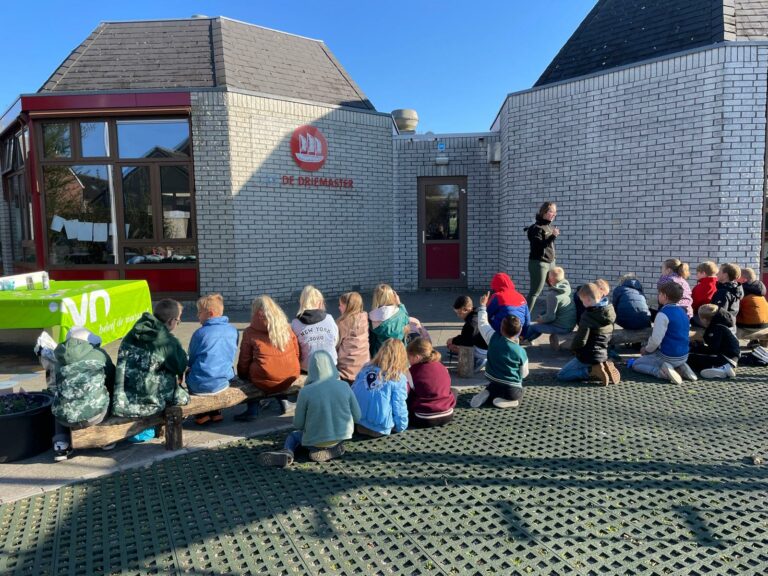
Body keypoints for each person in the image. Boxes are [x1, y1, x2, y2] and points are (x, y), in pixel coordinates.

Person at [257, 350, 361, 467]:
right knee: (326, 440)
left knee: (294, 436)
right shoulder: (345, 386)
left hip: (315, 441)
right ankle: (332, 449)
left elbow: (298, 424)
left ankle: (288, 452)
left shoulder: (305, 392)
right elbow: (357, 417)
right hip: (341, 436)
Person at [112, 299, 189, 438]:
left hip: (124, 396)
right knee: (183, 397)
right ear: (171, 321)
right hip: (150, 399)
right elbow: (180, 367)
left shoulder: (133, 332)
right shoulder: (167, 342)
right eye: (178, 321)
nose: (178, 324)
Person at [51, 327, 115, 461]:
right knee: (105, 392)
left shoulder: (58, 359)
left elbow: (55, 384)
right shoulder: (100, 354)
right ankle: (106, 440)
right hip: (96, 416)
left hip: (66, 419)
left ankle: (61, 444)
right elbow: (112, 378)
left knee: (59, 398)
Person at [235, 295, 301, 421]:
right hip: (291, 374)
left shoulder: (250, 332)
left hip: (265, 380)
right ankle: (285, 403)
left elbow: (244, 360)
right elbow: (296, 352)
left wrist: (242, 375)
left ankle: (252, 410)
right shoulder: (286, 327)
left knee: (257, 371)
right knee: (276, 367)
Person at [186, 293, 239, 425]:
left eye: (199, 312)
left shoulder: (199, 333)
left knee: (189, 372)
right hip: (223, 382)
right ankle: (216, 412)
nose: (197, 315)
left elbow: (191, 359)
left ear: (210, 314)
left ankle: (201, 414)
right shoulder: (233, 330)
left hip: (200, 385)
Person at [470, 292, 529, 408]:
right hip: (511, 389)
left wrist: (483, 306)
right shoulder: (520, 351)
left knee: (493, 386)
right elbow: (524, 374)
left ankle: (488, 392)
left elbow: (482, 324)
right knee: (520, 393)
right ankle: (511, 401)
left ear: (501, 329)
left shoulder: (493, 337)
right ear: (519, 331)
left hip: (493, 381)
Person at [556, 283, 620, 385]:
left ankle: (591, 372)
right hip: (603, 353)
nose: (582, 303)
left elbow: (581, 339)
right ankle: (602, 366)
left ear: (588, 300)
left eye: (582, 300)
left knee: (562, 375)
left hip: (588, 355)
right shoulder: (609, 311)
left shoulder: (588, 316)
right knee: (585, 364)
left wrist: (574, 349)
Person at [631, 282, 696, 383]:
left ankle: (661, 373)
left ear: (664, 296)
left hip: (668, 356)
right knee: (663, 356)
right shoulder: (683, 311)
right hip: (684, 355)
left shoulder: (663, 314)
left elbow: (656, 340)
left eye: (659, 293)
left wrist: (646, 350)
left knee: (636, 364)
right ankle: (680, 367)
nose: (658, 296)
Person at [352, 338, 409, 437]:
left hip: (359, 423)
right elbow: (399, 406)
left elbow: (354, 389)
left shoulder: (366, 368)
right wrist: (401, 427)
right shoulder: (397, 377)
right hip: (380, 428)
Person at [406, 337, 456, 427]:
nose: (408, 361)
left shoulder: (411, 371)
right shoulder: (442, 367)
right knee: (453, 391)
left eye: (409, 357)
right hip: (448, 415)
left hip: (423, 419)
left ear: (417, 357)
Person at [291, 285, 338, 372]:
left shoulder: (295, 323)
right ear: (320, 302)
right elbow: (334, 341)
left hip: (307, 368)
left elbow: (295, 350)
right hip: (330, 365)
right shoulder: (329, 319)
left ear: (302, 302)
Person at [524, 266, 576, 344]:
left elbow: (550, 317)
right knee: (542, 316)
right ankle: (528, 340)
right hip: (570, 324)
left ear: (549, 280)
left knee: (533, 326)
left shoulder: (552, 295)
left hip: (562, 327)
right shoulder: (567, 288)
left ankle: (521, 339)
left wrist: (541, 319)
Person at [525, 201, 560, 313]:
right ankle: (523, 319)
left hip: (551, 262)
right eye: (552, 212)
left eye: (555, 212)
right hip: (539, 263)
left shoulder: (549, 227)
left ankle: (554, 315)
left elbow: (549, 246)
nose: (554, 214)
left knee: (556, 289)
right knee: (535, 292)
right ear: (544, 212)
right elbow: (538, 247)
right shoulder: (536, 228)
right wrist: (553, 236)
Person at [688, 304, 739, 379]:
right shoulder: (721, 325)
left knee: (690, 358)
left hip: (724, 358)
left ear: (705, 320)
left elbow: (713, 350)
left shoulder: (715, 329)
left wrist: (697, 347)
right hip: (732, 359)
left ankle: (720, 367)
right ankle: (724, 368)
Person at [446, 295, 488, 371]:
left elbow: (466, 342)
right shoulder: (478, 312)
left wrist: (454, 343)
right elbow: (467, 336)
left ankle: (479, 359)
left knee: (460, 345)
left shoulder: (471, 323)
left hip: (483, 351)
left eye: (459, 313)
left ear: (466, 309)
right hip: (487, 345)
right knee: (458, 342)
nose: (458, 316)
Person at [336, 291, 370, 383]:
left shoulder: (342, 323)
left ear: (349, 307)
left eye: (341, 305)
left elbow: (336, 345)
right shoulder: (365, 317)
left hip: (346, 371)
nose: (339, 307)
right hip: (364, 365)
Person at [368, 284, 409, 356]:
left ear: (376, 298)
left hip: (380, 355)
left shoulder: (371, 317)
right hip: (399, 353)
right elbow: (407, 319)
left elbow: (372, 340)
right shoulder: (401, 313)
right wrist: (400, 303)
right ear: (392, 296)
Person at [486, 272, 531, 337]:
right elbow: (527, 320)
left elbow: (487, 314)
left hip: (502, 331)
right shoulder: (521, 297)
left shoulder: (497, 296)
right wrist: (523, 335)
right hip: (517, 331)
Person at [691, 261, 718, 325]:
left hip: (703, 317)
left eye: (697, 273)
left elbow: (693, 304)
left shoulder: (700, 287)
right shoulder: (719, 284)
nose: (696, 275)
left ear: (703, 273)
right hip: (716, 315)